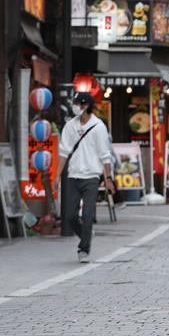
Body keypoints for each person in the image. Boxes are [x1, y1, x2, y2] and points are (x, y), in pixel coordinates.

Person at [55, 92, 114, 263]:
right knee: (70, 216)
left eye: (78, 104)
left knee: (88, 215)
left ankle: (84, 248)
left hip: (92, 177)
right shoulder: (69, 126)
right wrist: (57, 176)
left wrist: (108, 178)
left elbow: (105, 155)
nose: (75, 107)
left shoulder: (98, 127)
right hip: (73, 176)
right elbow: (63, 152)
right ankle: (86, 234)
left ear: (86, 106)